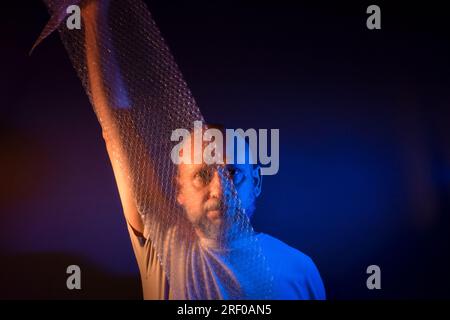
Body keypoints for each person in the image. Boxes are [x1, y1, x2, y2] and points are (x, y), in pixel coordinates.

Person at [37, 0, 325, 299]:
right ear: (180, 191)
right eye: (202, 175)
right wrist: (97, 13)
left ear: (257, 181)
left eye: (233, 172)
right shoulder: (166, 245)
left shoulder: (298, 270)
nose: (219, 190)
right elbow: (117, 131)